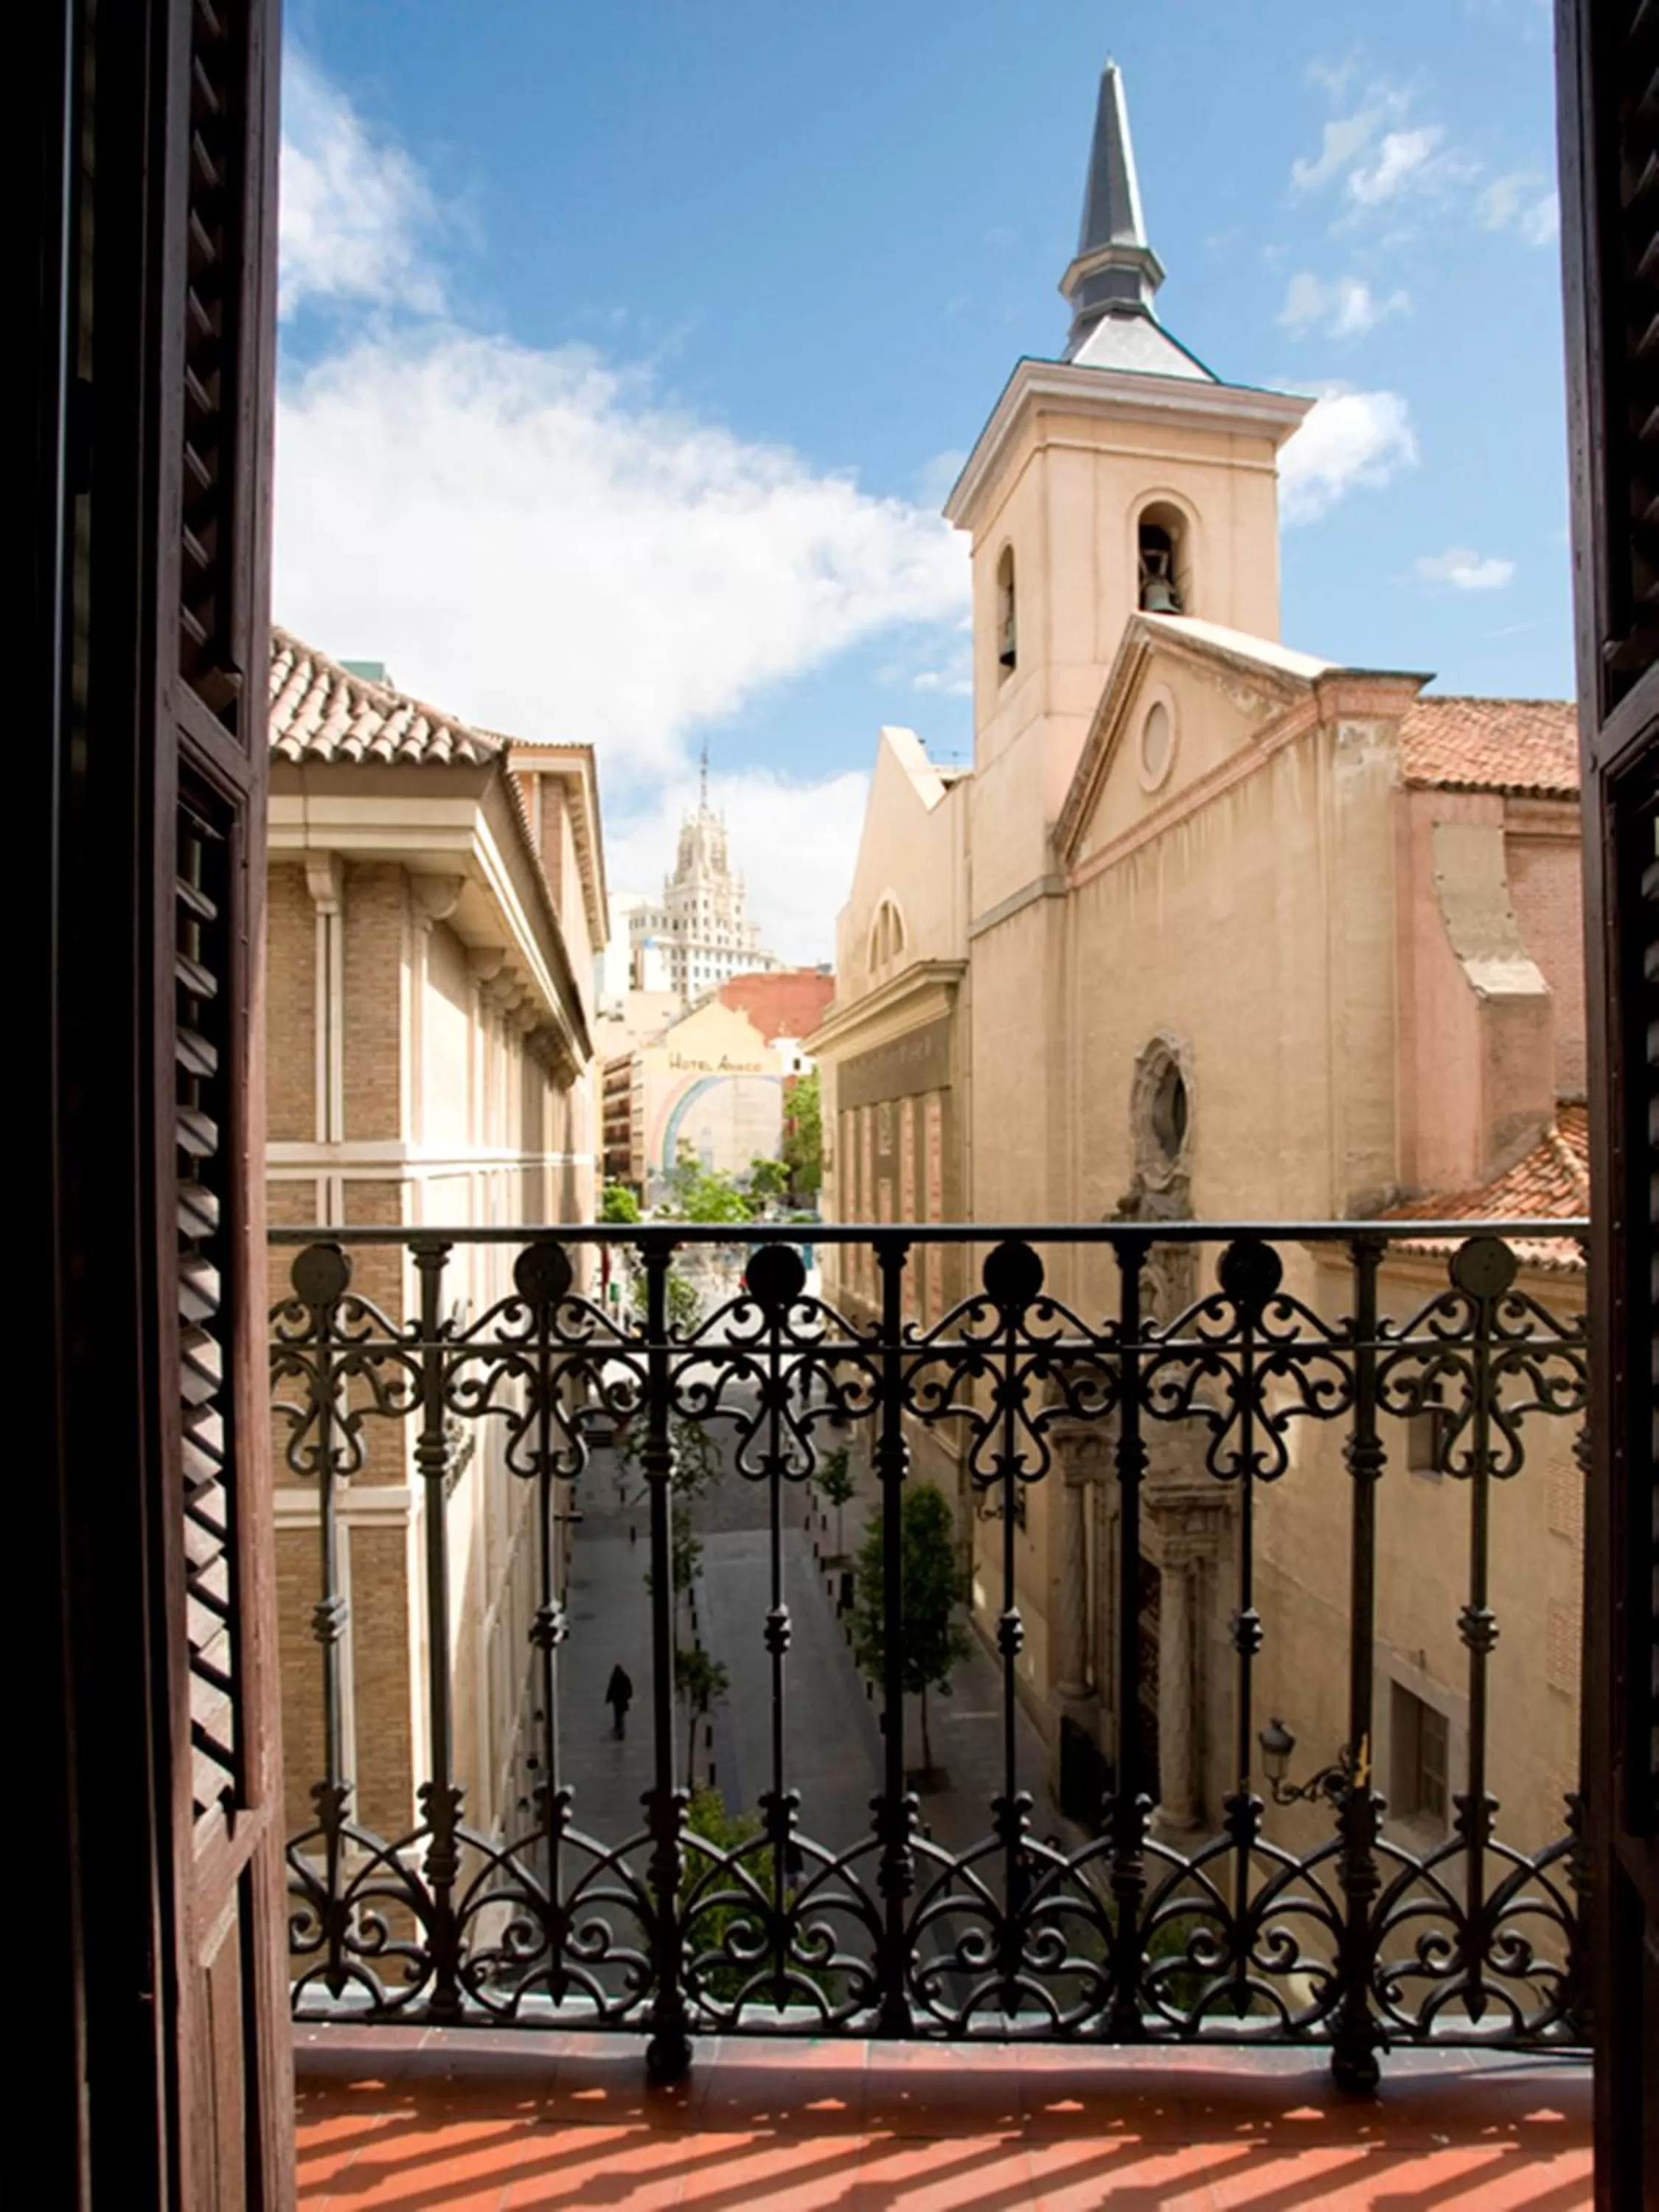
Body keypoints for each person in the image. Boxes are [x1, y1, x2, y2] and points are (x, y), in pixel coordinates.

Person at [605, 1663, 633, 1740]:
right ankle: (620, 1731)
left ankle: (619, 1731)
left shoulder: (617, 1678)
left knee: (618, 1716)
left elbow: (610, 1689)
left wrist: (608, 1699)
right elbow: (629, 1688)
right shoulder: (623, 1678)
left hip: (619, 1702)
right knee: (620, 1717)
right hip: (620, 1701)